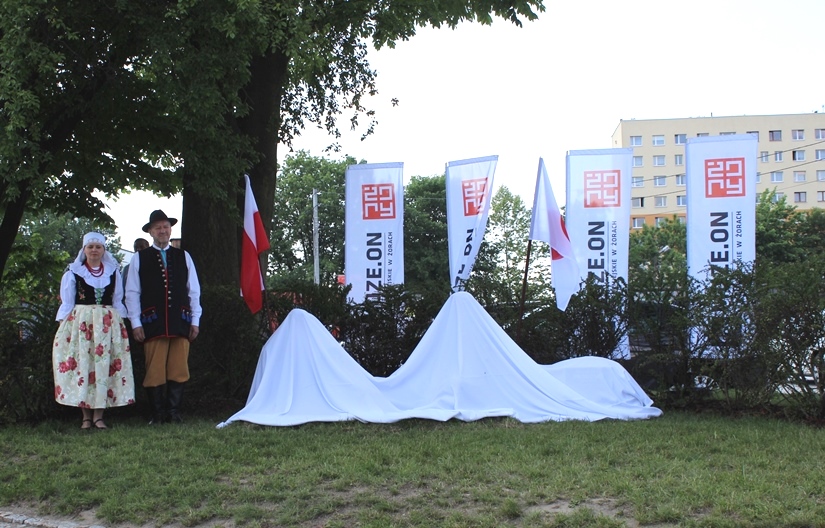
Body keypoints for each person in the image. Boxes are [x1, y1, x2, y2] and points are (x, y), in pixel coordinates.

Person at [52, 232, 135, 429]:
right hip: (82, 325)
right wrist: (63, 328)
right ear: (84, 250)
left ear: (104, 250)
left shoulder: (113, 272)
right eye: (90, 247)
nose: (94, 250)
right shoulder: (73, 273)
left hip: (107, 325)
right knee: (84, 366)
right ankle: (86, 416)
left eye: (98, 247)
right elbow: (67, 303)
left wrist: (121, 325)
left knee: (104, 366)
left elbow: (117, 300)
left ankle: (99, 415)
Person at [125, 210, 201, 424]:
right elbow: (132, 293)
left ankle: (173, 413)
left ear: (170, 230)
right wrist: (136, 323)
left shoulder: (183, 256)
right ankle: (157, 414)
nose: (162, 231)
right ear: (150, 231)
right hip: (152, 321)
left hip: (180, 320)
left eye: (165, 227)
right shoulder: (139, 258)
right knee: (155, 369)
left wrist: (195, 320)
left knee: (179, 368)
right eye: (157, 227)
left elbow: (193, 291)